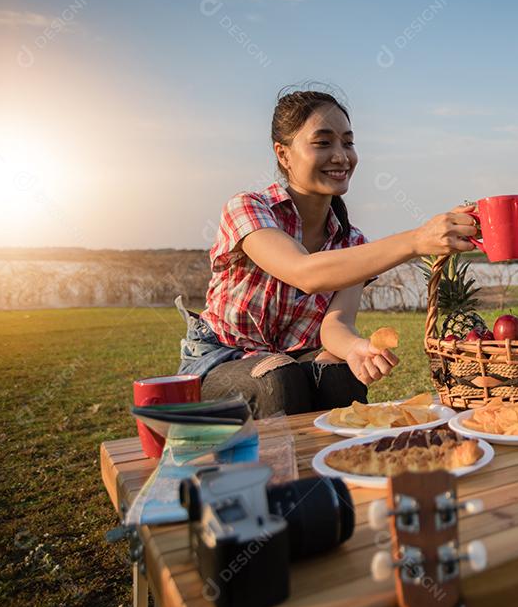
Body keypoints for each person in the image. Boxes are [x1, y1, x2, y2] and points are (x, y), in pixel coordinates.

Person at [176, 88, 477, 418]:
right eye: (323, 143)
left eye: (347, 143)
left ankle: (338, 467)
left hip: (291, 361)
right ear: (284, 154)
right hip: (221, 357)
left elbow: (335, 325)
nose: (341, 156)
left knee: (338, 374)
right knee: (277, 377)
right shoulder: (249, 208)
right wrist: (416, 240)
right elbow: (304, 272)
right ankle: (289, 468)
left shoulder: (352, 242)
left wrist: (355, 348)